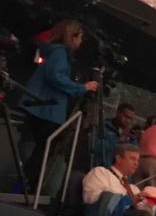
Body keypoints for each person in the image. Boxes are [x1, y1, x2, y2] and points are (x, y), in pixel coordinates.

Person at [19, 19, 100, 185]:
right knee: (43, 150)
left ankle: (25, 183)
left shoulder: (54, 52)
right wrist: (82, 88)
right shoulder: (60, 53)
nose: (81, 42)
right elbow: (56, 77)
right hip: (46, 109)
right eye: (80, 37)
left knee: (38, 147)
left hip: (41, 106)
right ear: (72, 36)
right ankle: (26, 184)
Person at [92, 102, 137, 168]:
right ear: (118, 113)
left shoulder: (130, 135)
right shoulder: (104, 127)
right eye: (125, 116)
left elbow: (134, 153)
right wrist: (119, 141)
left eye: (130, 119)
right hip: (101, 167)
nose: (128, 120)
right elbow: (97, 147)